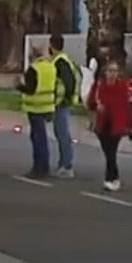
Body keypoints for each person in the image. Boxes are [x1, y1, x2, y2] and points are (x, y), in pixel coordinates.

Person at [88, 58, 132, 191]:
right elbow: (90, 101)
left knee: (111, 152)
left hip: (116, 124)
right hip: (102, 124)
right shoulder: (99, 85)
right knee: (107, 152)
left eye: (115, 71)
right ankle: (113, 178)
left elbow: (126, 106)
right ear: (105, 72)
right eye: (110, 71)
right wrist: (97, 106)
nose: (113, 74)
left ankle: (111, 178)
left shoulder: (122, 86)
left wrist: (129, 126)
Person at [18, 43, 60, 178]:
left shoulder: (33, 69)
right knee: (43, 138)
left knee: (37, 138)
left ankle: (39, 168)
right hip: (48, 106)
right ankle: (44, 166)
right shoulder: (51, 67)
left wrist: (19, 85)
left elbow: (31, 89)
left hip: (35, 107)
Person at [49, 34, 82, 179]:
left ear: (51, 45)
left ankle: (67, 166)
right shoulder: (62, 59)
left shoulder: (60, 61)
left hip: (62, 103)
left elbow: (68, 82)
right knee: (60, 133)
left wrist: (65, 98)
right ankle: (63, 163)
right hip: (61, 102)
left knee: (63, 134)